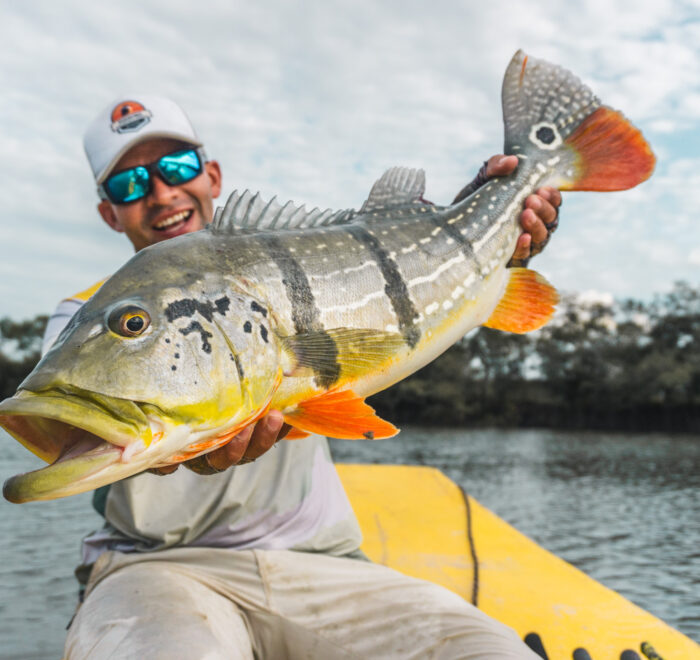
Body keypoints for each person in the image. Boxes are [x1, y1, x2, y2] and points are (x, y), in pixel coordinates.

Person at [50, 95, 561, 659]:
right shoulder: (80, 316)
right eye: (129, 185)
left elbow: (408, 282)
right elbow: (70, 426)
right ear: (108, 213)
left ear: (211, 176)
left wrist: (482, 223)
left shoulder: (300, 260)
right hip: (157, 569)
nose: (161, 193)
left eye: (175, 168)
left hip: (320, 562)